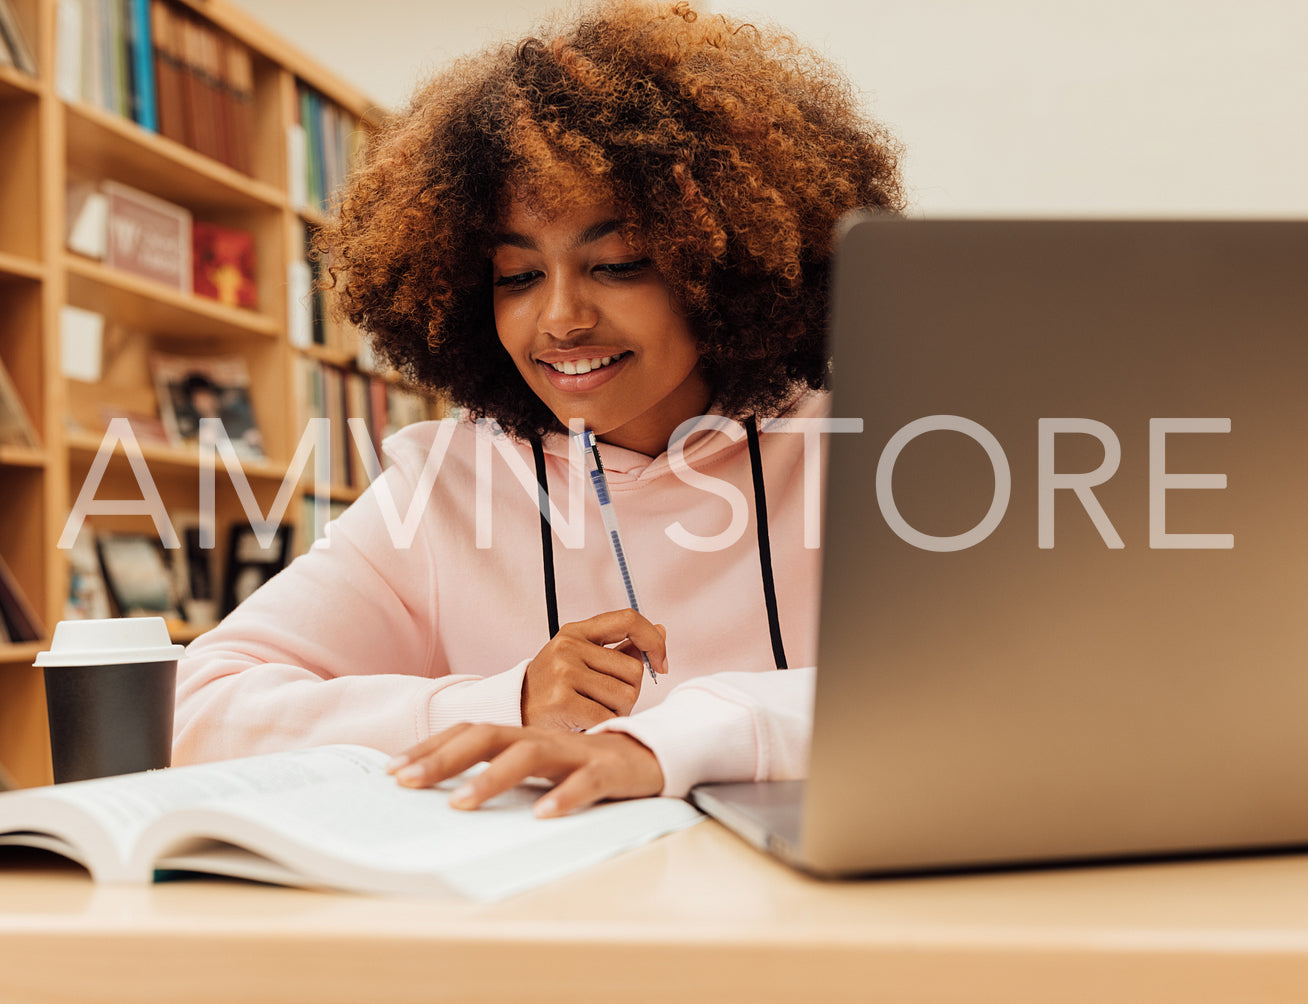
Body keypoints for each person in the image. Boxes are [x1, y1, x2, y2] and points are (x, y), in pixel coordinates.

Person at [172, 0, 904, 818]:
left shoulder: (867, 453)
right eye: (516, 277)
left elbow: (977, 686)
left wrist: (662, 741)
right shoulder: (443, 486)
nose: (558, 319)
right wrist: (506, 700)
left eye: (618, 264)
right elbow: (199, 711)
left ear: (722, 267)